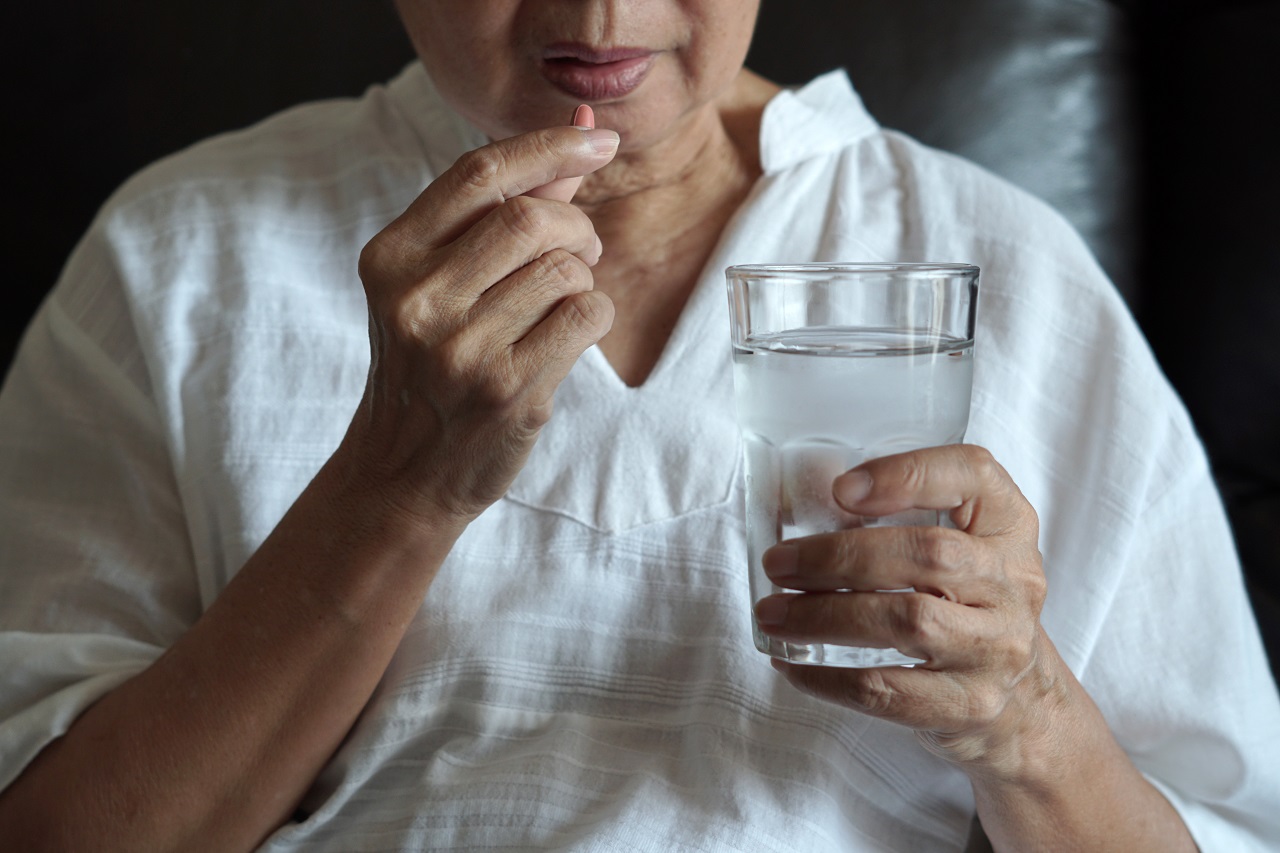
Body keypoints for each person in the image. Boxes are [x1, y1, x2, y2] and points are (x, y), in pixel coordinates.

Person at [1, 1, 1277, 850]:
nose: (603, 11)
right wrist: (397, 485)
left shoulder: (1002, 271)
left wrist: (1023, 716)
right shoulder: (180, 256)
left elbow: (1222, 817)